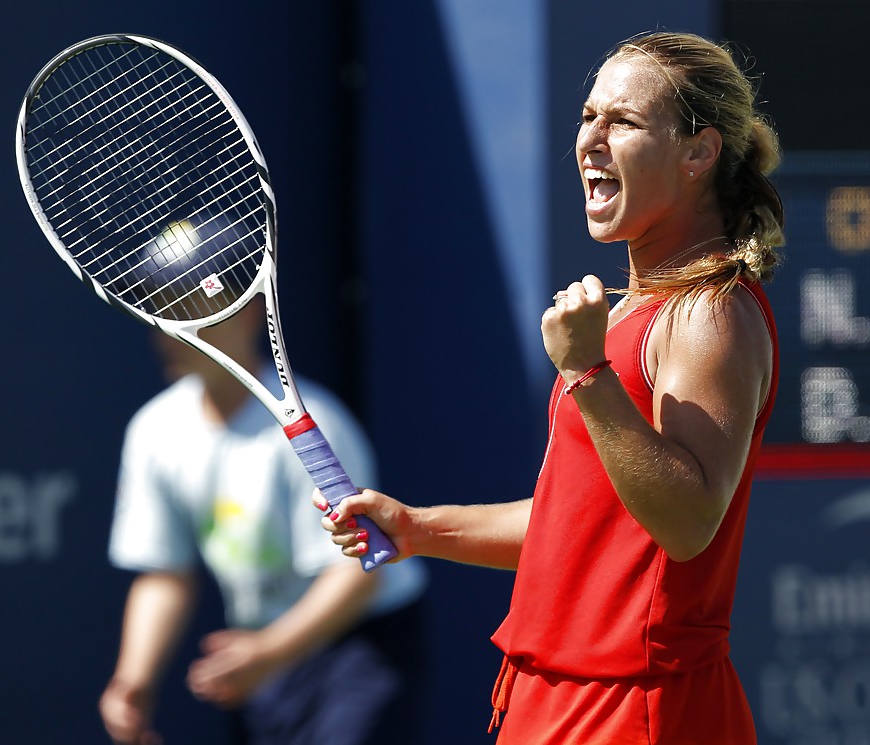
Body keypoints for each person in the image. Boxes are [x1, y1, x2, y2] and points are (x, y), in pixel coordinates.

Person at [318, 31, 783, 744]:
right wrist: (418, 528)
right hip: (551, 702)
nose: (590, 140)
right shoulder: (636, 308)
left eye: (621, 122)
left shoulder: (709, 312)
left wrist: (586, 374)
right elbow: (582, 521)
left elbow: (687, 524)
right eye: (588, 116)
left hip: (636, 713)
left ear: (698, 153)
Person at [98, 297, 428, 745]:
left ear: (248, 313)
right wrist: (132, 680)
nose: (171, 330)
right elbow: (164, 576)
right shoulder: (154, 431)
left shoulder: (319, 422)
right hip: (261, 656)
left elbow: (357, 572)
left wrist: (269, 652)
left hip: (358, 646)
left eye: (192, 311)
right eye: (160, 313)